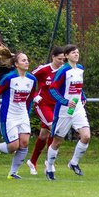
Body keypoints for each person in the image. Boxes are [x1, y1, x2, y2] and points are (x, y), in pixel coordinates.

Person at [44, 44, 91, 178]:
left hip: (77, 108)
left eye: (77, 52)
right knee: (57, 141)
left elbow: (78, 87)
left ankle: (73, 163)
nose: (76, 54)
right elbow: (52, 89)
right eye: (73, 53)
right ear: (66, 56)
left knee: (86, 136)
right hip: (64, 110)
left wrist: (83, 96)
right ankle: (49, 168)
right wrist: (65, 101)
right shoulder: (63, 71)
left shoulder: (80, 69)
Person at [0, 51, 39, 179]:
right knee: (13, 146)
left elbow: (30, 99)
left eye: (27, 60)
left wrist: (27, 113)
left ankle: (13, 173)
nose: (26, 62)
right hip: (8, 115)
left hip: (22, 115)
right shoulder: (9, 78)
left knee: (24, 143)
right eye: (23, 60)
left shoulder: (32, 79)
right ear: (16, 64)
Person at [26, 46, 67, 176]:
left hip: (57, 106)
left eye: (63, 59)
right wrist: (34, 96)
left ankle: (32, 162)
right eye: (59, 59)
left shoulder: (65, 71)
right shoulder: (43, 69)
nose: (61, 61)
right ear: (53, 57)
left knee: (44, 135)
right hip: (43, 104)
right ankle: (49, 163)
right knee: (53, 128)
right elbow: (27, 80)